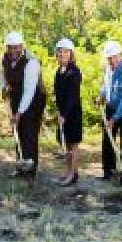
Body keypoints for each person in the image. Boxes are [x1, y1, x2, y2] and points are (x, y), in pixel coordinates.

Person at [0, 32, 47, 183]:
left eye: (16, 48)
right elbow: (2, 74)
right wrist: (3, 89)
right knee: (17, 132)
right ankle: (21, 168)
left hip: (33, 99)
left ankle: (30, 172)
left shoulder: (31, 62)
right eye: (10, 48)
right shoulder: (6, 58)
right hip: (16, 96)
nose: (13, 51)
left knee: (29, 134)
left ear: (22, 46)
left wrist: (19, 113)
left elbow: (29, 91)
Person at [96, 40, 122, 187]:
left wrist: (115, 117)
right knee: (107, 139)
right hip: (111, 107)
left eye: (114, 57)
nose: (111, 60)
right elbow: (106, 85)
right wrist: (101, 95)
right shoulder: (108, 69)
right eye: (109, 58)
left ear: (120, 55)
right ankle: (109, 172)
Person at [53, 38, 83, 186]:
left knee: (73, 145)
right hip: (63, 113)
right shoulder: (59, 71)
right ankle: (69, 172)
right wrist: (59, 112)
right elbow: (58, 94)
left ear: (71, 54)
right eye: (60, 51)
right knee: (65, 145)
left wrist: (64, 114)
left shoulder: (74, 72)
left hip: (72, 113)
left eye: (66, 52)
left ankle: (72, 174)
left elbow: (72, 96)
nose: (62, 54)